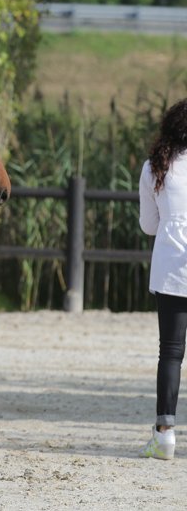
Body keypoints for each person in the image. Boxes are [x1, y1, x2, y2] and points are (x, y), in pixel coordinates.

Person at [138, 97, 187, 460]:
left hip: (171, 267)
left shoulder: (155, 167)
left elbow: (148, 225)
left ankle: (165, 436)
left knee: (170, 352)